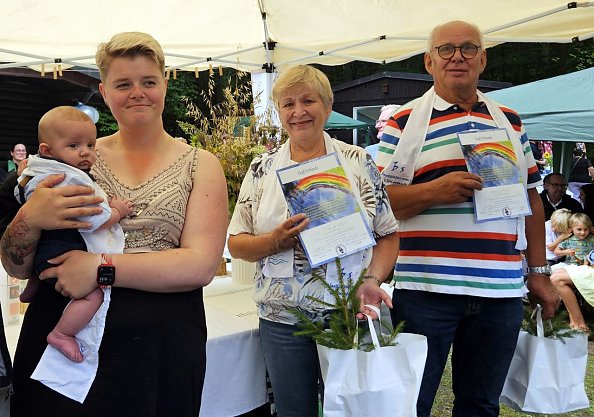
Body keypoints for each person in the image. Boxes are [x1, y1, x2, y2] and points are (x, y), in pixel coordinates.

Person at [0, 32, 228, 416]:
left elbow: (199, 265)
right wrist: (29, 219)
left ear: (164, 86)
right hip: (64, 343)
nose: (137, 92)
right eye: (123, 84)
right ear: (105, 92)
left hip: (160, 349)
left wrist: (100, 269)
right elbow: (16, 265)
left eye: (148, 82)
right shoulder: (68, 158)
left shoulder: (200, 164)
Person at [375, 20, 559, 417]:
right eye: (446, 49)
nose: (457, 56)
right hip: (426, 290)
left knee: (480, 404)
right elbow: (377, 202)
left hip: (500, 292)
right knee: (411, 403)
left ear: (483, 59)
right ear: (429, 61)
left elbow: (532, 198)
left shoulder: (509, 120)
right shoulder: (404, 122)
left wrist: (539, 272)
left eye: (468, 48)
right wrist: (433, 192)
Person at [228, 64, 399, 417]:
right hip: (282, 319)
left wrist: (371, 280)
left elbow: (388, 233)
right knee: (294, 412)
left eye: (308, 101)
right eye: (287, 104)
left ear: (327, 103)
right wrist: (274, 241)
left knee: (353, 409)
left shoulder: (358, 161)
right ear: (279, 112)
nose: (298, 112)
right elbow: (237, 244)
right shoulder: (262, 168)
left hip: (349, 312)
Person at [15, 106, 134, 362]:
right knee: (94, 295)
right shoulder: (70, 179)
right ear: (48, 150)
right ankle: (62, 333)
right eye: (74, 145)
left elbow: (19, 195)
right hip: (64, 252)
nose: (85, 152)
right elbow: (94, 219)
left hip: (45, 251)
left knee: (45, 261)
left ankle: (33, 285)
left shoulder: (34, 171)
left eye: (91, 145)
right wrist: (117, 211)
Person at [550, 212, 594, 332]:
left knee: (557, 278)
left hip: (587, 267)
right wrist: (566, 251)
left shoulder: (591, 239)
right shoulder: (569, 240)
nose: (582, 232)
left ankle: (578, 323)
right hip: (575, 265)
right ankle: (574, 321)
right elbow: (555, 250)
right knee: (555, 275)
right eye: (579, 229)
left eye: (586, 229)